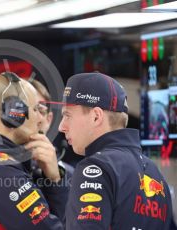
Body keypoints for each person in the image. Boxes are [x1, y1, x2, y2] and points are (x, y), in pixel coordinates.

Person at [59, 72, 172, 229]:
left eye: (67, 115)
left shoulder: (95, 168)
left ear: (96, 117)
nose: (61, 126)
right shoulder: (156, 174)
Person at [0, 72, 67, 229]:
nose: (41, 119)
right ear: (13, 113)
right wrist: (57, 182)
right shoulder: (1, 171)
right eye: (36, 109)